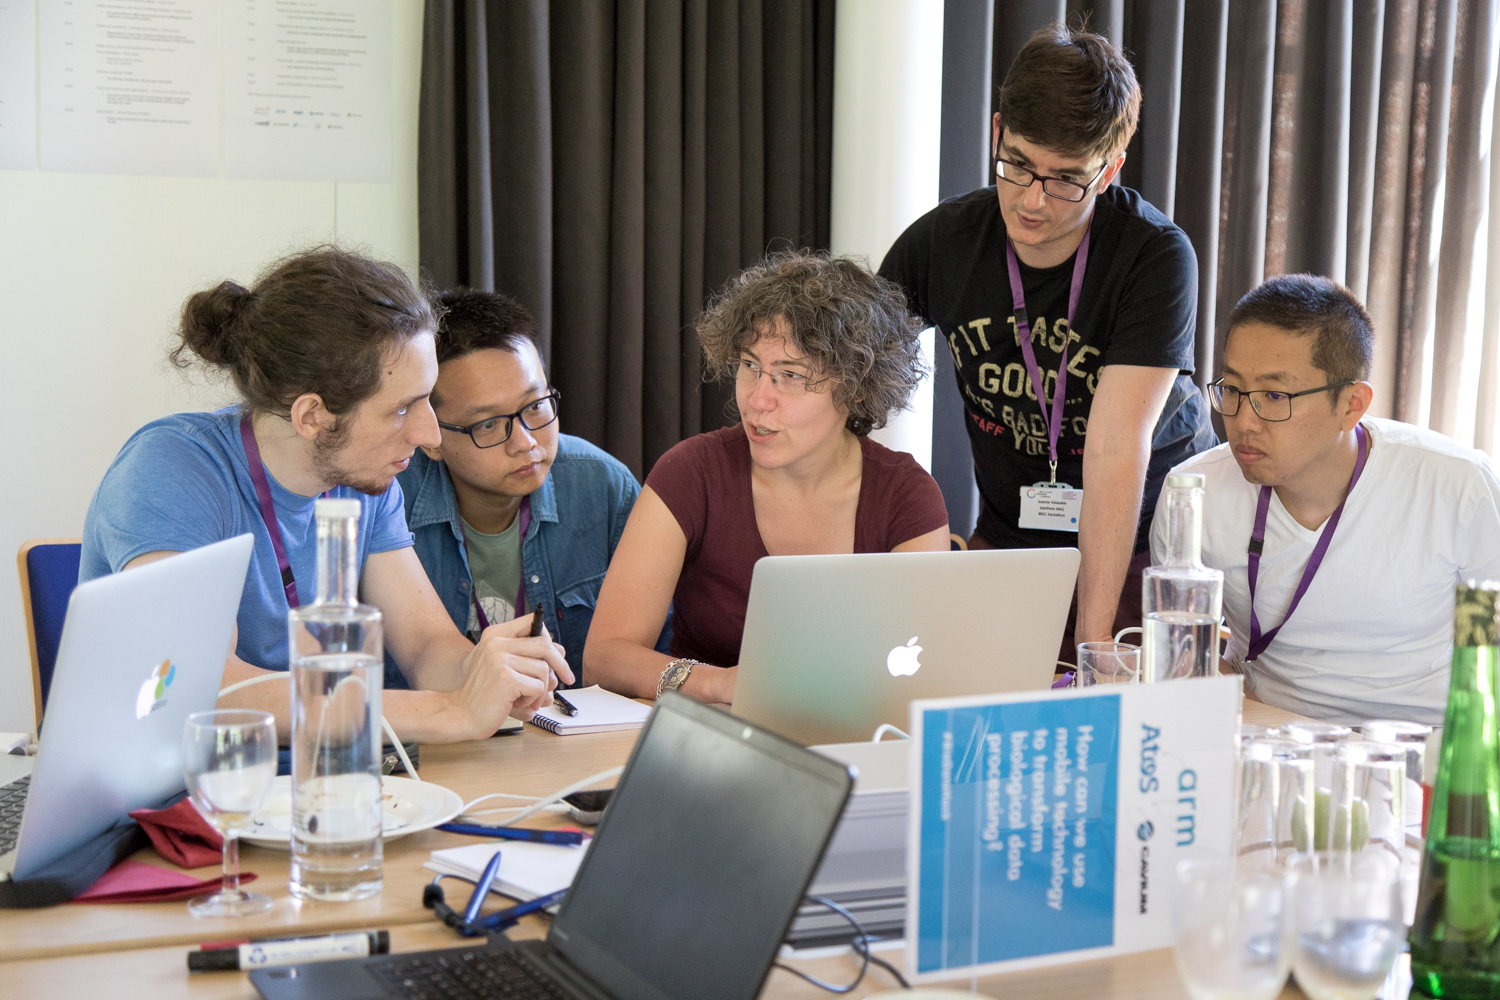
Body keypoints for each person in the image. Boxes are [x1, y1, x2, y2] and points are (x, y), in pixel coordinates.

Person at [81, 247, 572, 742]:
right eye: (403, 409)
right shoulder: (170, 470)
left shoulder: (365, 479)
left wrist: (492, 675)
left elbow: (425, 647)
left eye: (427, 399)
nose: (430, 434)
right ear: (312, 416)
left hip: (309, 787)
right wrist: (450, 712)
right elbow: (200, 691)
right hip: (169, 800)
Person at [879, 22, 1216, 657]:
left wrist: (1093, 643)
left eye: (1065, 179)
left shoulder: (1154, 257)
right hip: (1013, 534)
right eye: (1018, 165)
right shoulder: (945, 241)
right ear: (999, 131)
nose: (1033, 200)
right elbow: (855, 372)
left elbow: (1118, 449)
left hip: (1149, 544)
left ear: (1110, 169)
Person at [584, 251, 951, 704]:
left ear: (855, 386)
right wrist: (720, 683)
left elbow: (924, 667)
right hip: (705, 735)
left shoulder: (906, 496)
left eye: (790, 376)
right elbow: (604, 658)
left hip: (859, 738)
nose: (757, 400)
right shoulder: (691, 472)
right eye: (751, 366)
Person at [1151, 274, 1500, 725]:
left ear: (1352, 404)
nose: (1243, 422)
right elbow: (1185, 656)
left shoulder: (1458, 487)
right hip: (1268, 732)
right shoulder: (1193, 493)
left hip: (1419, 743)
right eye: (1233, 391)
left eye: (1274, 396)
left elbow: (1488, 649)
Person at [394, 288, 666, 690]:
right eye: (487, 424)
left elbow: (653, 655)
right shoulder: (387, 498)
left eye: (535, 406)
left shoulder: (602, 486)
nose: (524, 442)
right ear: (431, 435)